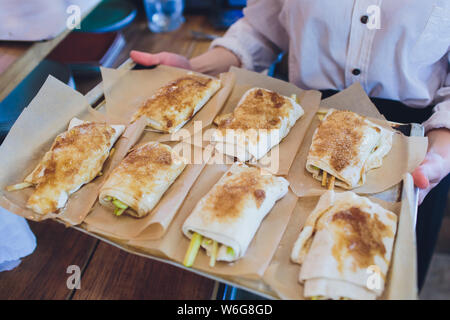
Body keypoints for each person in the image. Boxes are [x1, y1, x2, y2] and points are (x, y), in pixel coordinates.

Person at [130, 0, 450, 290]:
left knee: (365, 269)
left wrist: (440, 153)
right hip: (299, 120)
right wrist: (198, 71)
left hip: (413, 141)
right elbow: (263, 29)